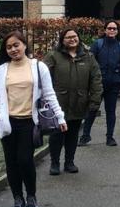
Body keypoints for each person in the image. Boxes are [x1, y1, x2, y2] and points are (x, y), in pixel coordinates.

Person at [0, 31, 67, 207]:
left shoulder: (38, 67)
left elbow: (49, 94)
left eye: (16, 45)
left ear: (25, 45)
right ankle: (18, 199)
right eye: (9, 47)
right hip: (8, 123)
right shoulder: (2, 70)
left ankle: (31, 196)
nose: (13, 49)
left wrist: (60, 117)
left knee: (25, 160)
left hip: (29, 123)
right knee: (11, 163)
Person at [43, 27, 103, 175]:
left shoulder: (88, 57)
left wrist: (94, 101)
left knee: (73, 134)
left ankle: (69, 162)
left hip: (79, 102)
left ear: (78, 38)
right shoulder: (53, 56)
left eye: (74, 36)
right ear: (62, 40)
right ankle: (54, 163)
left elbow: (96, 79)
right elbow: (42, 77)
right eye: (68, 37)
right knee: (56, 135)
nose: (72, 39)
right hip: (58, 104)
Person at [80, 20, 120, 146]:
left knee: (111, 111)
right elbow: (89, 62)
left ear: (117, 31)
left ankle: (110, 137)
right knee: (92, 110)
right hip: (97, 84)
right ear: (105, 30)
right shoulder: (98, 44)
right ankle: (85, 136)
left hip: (113, 84)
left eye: (114, 29)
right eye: (109, 28)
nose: (112, 30)